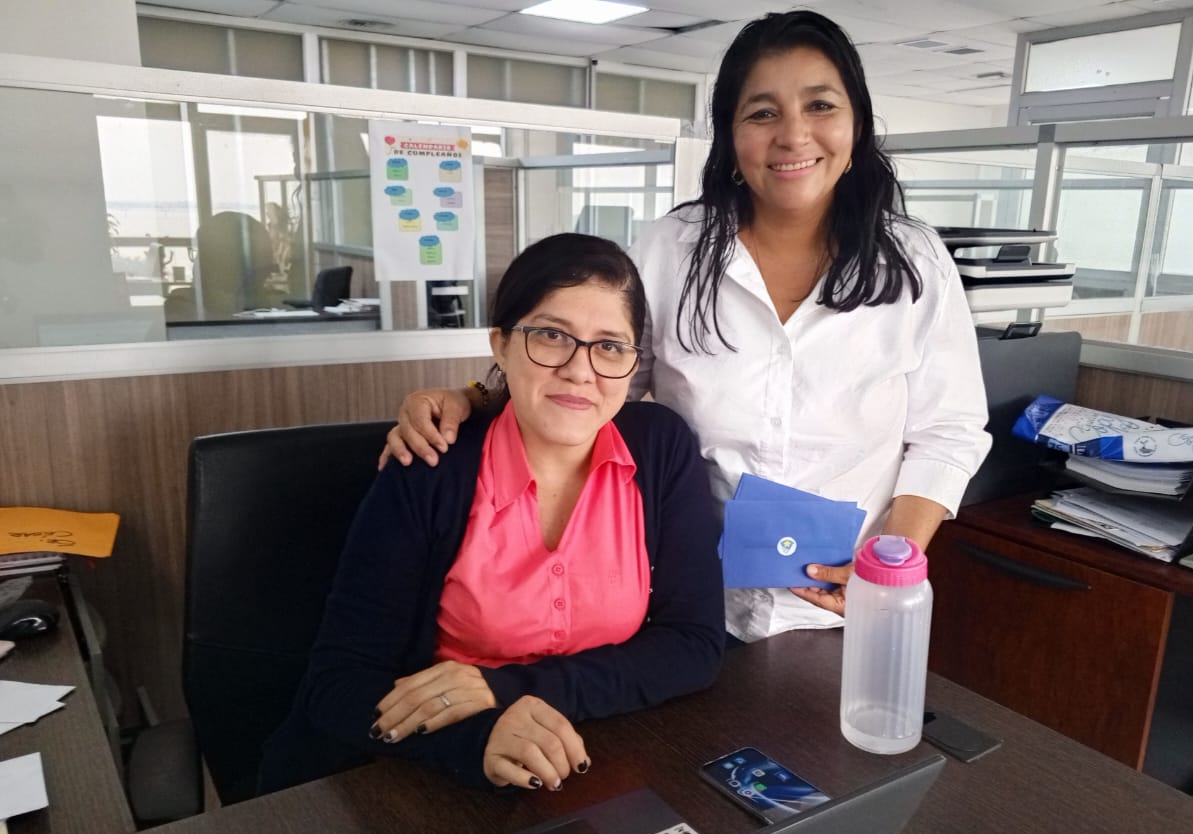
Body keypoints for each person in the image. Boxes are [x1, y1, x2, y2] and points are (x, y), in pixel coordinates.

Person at [380, 11, 991, 642]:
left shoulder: (914, 262)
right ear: (730, 134)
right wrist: (474, 399)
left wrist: (889, 559)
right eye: (762, 113)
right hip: (684, 601)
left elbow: (948, 431)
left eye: (820, 106)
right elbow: (600, 379)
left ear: (856, 123)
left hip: (848, 605)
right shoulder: (673, 248)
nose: (793, 135)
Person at [260, 233, 724, 794]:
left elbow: (693, 645)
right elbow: (338, 686)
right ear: (501, 345)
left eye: (609, 346)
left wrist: (503, 688)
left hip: (601, 759)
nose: (581, 370)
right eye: (551, 336)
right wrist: (476, 736)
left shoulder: (659, 447)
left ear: (632, 364)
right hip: (429, 775)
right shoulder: (432, 463)